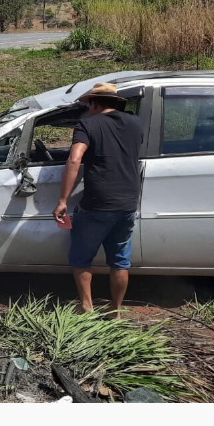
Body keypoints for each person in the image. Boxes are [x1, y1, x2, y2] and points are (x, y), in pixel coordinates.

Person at [52, 83, 143, 318]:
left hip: (97, 203)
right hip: (128, 203)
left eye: (88, 104)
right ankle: (116, 310)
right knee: (120, 261)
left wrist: (63, 199)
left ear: (94, 102)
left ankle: (87, 307)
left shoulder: (87, 124)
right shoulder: (135, 123)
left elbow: (74, 159)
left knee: (82, 258)